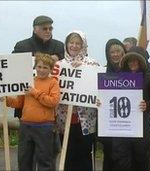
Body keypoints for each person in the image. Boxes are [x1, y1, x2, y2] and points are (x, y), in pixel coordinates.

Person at [0, 52, 60, 171]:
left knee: (45, 160)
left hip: (45, 127)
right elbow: (19, 103)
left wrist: (35, 93)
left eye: (45, 67)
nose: (41, 70)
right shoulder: (28, 81)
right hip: (26, 126)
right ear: (35, 67)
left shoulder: (53, 83)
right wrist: (6, 100)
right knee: (24, 159)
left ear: (50, 69)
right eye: (39, 66)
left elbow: (53, 102)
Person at [55, 30, 99, 171]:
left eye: (78, 43)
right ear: (66, 44)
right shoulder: (59, 65)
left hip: (86, 121)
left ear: (83, 45)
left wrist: (83, 68)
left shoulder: (92, 64)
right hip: (64, 120)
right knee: (68, 155)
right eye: (71, 43)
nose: (74, 46)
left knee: (85, 155)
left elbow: (98, 88)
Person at [111, 48, 150, 171]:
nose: (133, 63)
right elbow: (109, 98)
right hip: (122, 128)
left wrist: (147, 105)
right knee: (122, 161)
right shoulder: (117, 78)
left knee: (141, 159)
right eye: (130, 61)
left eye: (135, 61)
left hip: (142, 128)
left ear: (141, 62)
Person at [12, 15, 64, 118]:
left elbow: (69, 60)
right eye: (45, 28)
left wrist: (59, 56)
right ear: (35, 30)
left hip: (49, 105)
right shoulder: (22, 46)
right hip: (26, 104)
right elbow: (12, 65)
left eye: (50, 28)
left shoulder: (59, 46)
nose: (48, 31)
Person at [100, 38, 126, 171]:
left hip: (127, 126)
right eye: (112, 52)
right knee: (109, 158)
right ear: (107, 54)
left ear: (123, 52)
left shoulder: (131, 71)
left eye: (118, 51)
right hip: (109, 126)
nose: (115, 54)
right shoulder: (103, 73)